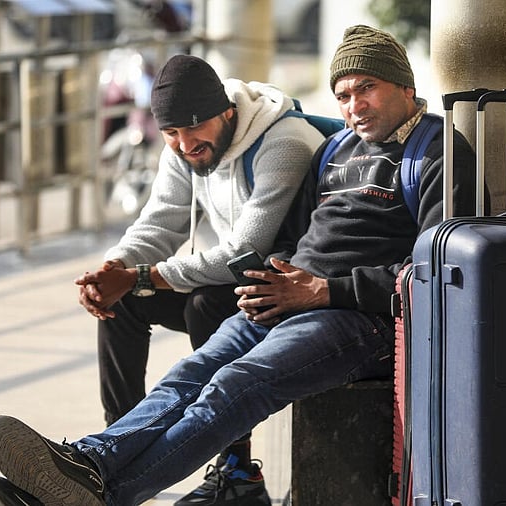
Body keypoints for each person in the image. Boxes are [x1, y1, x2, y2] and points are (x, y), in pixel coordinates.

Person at [0, 24, 478, 506]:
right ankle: (88, 463)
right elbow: (294, 236)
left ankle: (109, 495)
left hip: (359, 319)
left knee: (233, 385)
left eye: (366, 88)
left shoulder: (439, 154)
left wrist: (321, 291)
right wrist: (280, 277)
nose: (355, 106)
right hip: (292, 299)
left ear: (406, 86)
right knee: (192, 371)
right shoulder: (336, 150)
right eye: (344, 95)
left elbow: (434, 274)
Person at [74, 54, 327, 505]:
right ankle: (116, 446)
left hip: (288, 292)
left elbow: (241, 254)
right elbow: (161, 221)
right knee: (125, 301)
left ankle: (237, 470)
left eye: (194, 129)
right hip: (232, 284)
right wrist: (115, 269)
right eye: (171, 133)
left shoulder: (285, 142)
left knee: (205, 302)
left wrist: (142, 275)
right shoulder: (182, 147)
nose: (184, 144)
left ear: (227, 112)